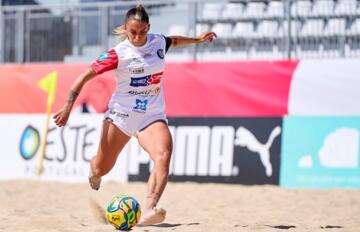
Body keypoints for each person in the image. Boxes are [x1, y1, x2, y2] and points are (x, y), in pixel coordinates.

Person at [53, 4, 217, 226]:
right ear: (125, 29)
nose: (138, 37)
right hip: (121, 115)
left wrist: (197, 40)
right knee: (102, 167)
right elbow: (84, 76)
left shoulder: (158, 42)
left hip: (151, 115)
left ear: (148, 28)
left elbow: (174, 41)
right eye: (133, 32)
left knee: (163, 154)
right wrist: (67, 106)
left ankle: (149, 209)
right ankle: (94, 171)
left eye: (142, 31)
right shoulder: (118, 54)